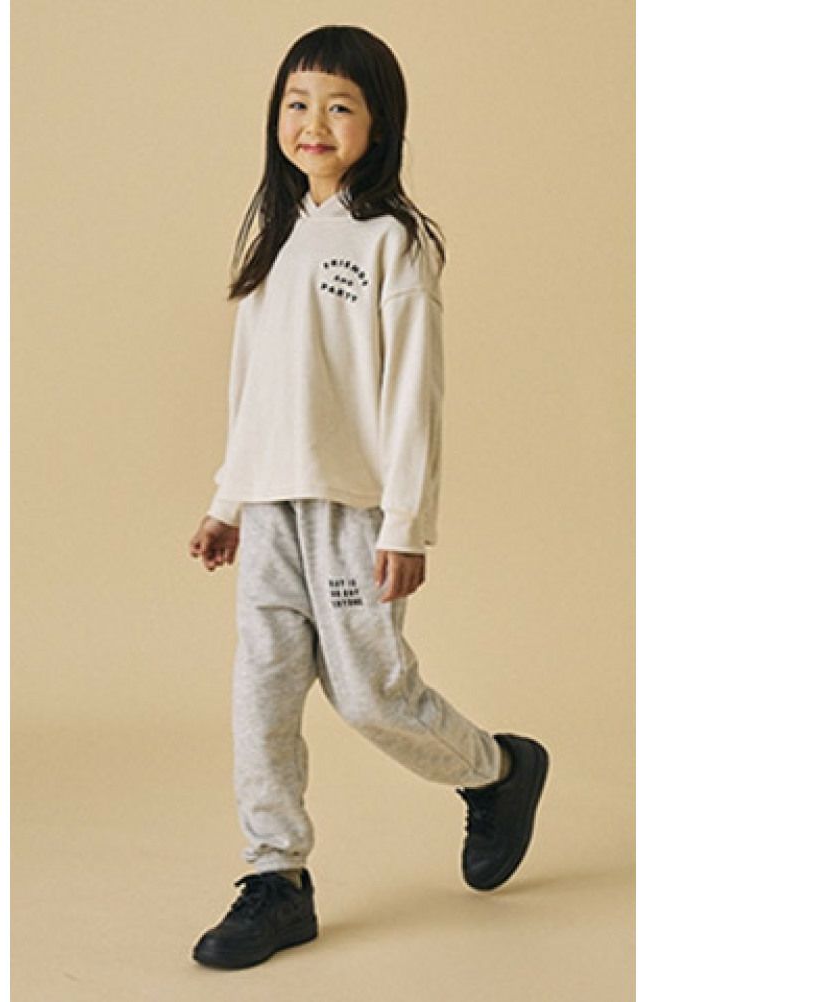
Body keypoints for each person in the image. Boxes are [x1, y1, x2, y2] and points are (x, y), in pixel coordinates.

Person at [187, 25, 549, 971]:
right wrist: (228, 499)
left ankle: (498, 772)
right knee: (260, 697)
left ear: (378, 125)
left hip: (353, 509)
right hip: (270, 510)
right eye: (297, 103)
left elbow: (413, 392)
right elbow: (252, 390)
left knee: (371, 695)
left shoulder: (393, 244)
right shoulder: (274, 245)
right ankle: (276, 877)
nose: (314, 122)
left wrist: (406, 523)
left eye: (340, 105)